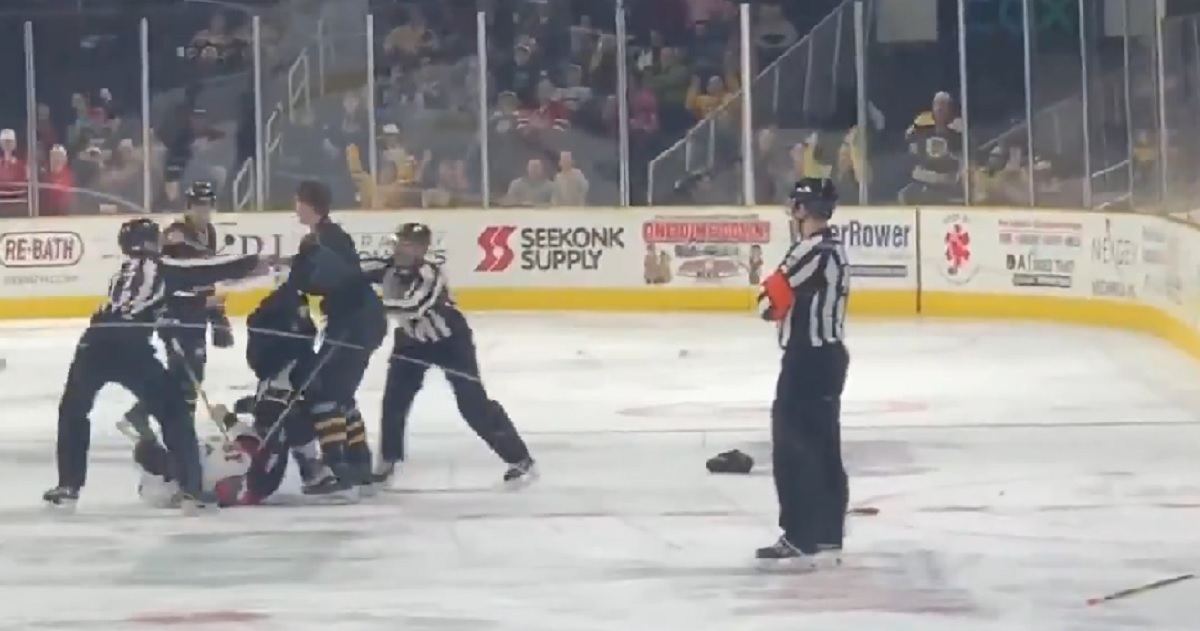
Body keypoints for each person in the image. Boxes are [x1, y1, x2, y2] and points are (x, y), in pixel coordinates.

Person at [44, 218, 266, 511]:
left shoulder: (122, 273)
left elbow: (151, 304)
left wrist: (178, 314)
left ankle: (68, 487)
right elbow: (210, 269)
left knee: (74, 410)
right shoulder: (161, 268)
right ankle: (191, 491)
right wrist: (256, 262)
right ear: (151, 242)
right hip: (130, 348)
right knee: (174, 412)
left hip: (93, 343)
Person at [365, 222, 536, 486]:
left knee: (472, 404)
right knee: (394, 401)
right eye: (398, 242)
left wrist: (369, 307)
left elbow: (412, 305)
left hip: (451, 344)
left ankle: (519, 457)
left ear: (421, 249)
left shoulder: (431, 275)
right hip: (411, 342)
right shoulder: (385, 267)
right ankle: (388, 458)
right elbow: (349, 270)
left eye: (407, 244)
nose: (399, 249)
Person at [754, 178, 850, 566]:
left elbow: (769, 303)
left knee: (793, 446)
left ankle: (799, 534)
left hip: (805, 359)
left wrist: (767, 295)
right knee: (824, 443)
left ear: (802, 210)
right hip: (830, 357)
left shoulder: (808, 251)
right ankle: (827, 532)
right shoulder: (836, 248)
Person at [281, 180, 387, 495]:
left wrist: (302, 270)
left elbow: (336, 278)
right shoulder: (325, 237)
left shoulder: (326, 239)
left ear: (308, 204)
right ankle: (358, 462)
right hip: (354, 322)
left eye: (298, 201)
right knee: (340, 392)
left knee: (328, 394)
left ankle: (339, 466)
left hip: (353, 324)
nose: (295, 208)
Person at [122, 181, 233, 440]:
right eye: (198, 205)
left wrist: (216, 314)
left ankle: (141, 413)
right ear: (188, 206)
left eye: (207, 205)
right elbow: (161, 276)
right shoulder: (173, 233)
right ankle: (182, 431)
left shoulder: (210, 232)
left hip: (197, 314)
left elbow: (207, 274)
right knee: (187, 375)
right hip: (176, 315)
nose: (203, 210)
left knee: (186, 375)